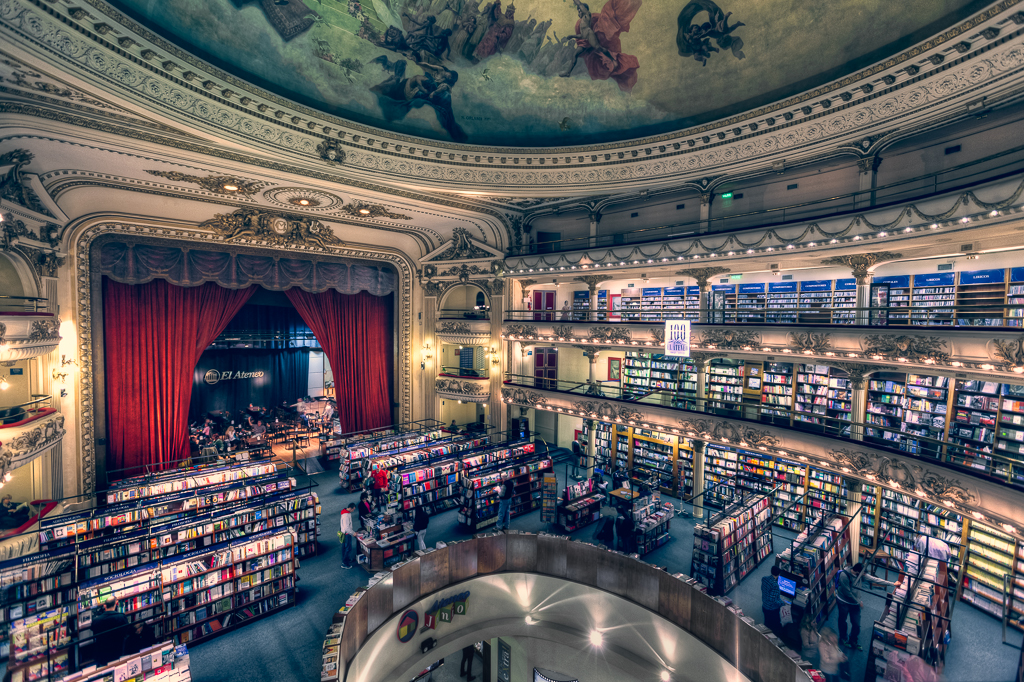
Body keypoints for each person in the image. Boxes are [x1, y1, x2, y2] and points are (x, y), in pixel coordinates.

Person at [836, 562, 895, 650]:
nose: (865, 575)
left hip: (855, 603)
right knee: (842, 621)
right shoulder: (844, 576)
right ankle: (843, 638)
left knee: (856, 624)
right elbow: (847, 592)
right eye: (863, 573)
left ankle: (853, 640)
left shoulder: (861, 574)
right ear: (857, 571)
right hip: (843, 601)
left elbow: (874, 579)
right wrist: (858, 602)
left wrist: (893, 584)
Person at [91, 595, 130, 665]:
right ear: (116, 604)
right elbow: (126, 632)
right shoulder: (121, 617)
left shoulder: (96, 620)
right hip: (118, 650)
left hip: (102, 653)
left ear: (104, 606)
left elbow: (94, 633)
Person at [762, 566, 784, 633]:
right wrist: (782, 603)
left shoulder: (764, 579)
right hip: (771, 609)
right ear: (779, 574)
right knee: (775, 625)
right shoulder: (775, 585)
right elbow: (773, 600)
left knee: (767, 623)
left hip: (764, 606)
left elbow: (764, 590)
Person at [339, 503, 357, 569]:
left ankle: (346, 559)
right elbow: (347, 527)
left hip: (344, 533)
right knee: (348, 548)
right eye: (353, 509)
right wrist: (353, 533)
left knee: (344, 547)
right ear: (350, 508)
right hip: (347, 534)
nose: (353, 511)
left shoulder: (345, 512)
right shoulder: (346, 516)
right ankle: (345, 563)